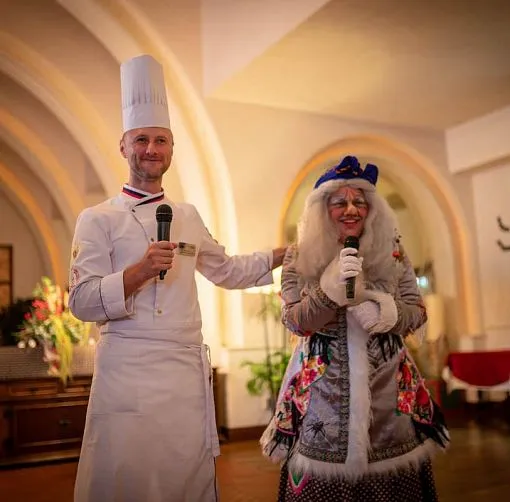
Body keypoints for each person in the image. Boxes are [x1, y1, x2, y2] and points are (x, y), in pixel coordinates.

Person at [69, 54, 286, 502]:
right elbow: (81, 301)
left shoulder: (186, 215)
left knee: (184, 479)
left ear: (171, 149)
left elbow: (228, 271)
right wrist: (139, 272)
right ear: (123, 147)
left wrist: (282, 255)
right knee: (127, 477)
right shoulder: (97, 218)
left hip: (183, 373)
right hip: (127, 372)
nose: (151, 149)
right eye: (141, 139)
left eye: (161, 140)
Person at [261, 156, 449, 501]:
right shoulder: (298, 255)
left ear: (371, 209)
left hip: (388, 394)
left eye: (359, 201)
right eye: (340, 202)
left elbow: (418, 311)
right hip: (322, 396)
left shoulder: (393, 251)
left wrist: (386, 311)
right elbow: (295, 321)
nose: (351, 209)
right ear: (323, 209)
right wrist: (328, 292)